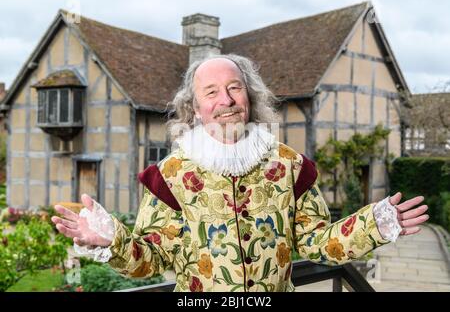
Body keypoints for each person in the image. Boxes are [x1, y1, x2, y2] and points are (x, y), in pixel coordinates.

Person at [52, 54, 429, 292]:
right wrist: (110, 241)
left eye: (235, 88)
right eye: (212, 92)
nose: (226, 100)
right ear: (196, 108)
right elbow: (151, 260)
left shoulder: (289, 165)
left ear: (250, 98)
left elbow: (317, 243)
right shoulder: (170, 176)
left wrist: (375, 225)